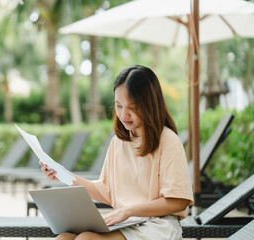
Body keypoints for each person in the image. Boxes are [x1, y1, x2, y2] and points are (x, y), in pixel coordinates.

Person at [40, 65, 194, 240]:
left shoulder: (168, 141)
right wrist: (62, 174)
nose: (123, 114)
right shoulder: (118, 142)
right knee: (63, 238)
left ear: (149, 104)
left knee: (86, 239)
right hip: (127, 222)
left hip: (157, 225)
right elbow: (107, 191)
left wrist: (129, 211)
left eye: (133, 107)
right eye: (118, 106)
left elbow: (178, 200)